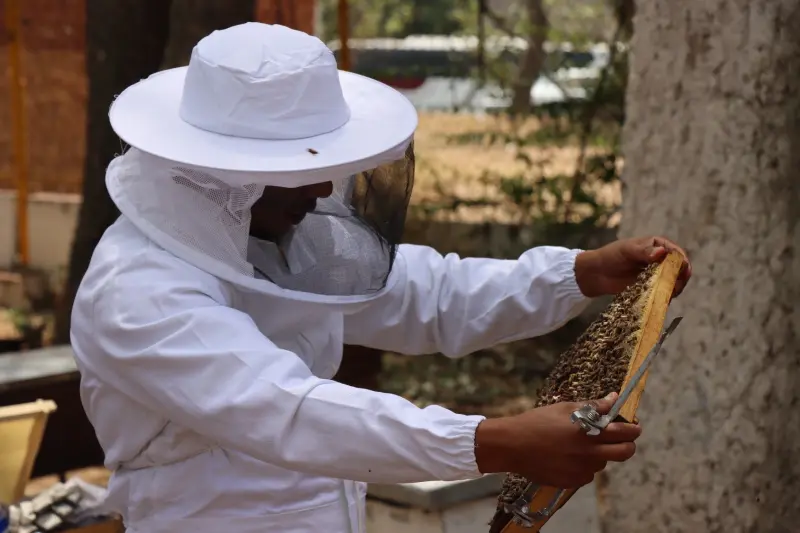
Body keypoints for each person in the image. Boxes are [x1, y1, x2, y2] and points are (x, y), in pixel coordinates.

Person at [69, 22, 691, 533]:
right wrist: (490, 441)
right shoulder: (136, 292)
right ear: (222, 176)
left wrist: (579, 274)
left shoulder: (271, 232)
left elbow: (428, 293)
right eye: (295, 171)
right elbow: (287, 410)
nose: (321, 188)